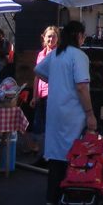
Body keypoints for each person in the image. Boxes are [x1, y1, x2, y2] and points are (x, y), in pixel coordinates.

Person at [34, 20, 96, 205]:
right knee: (74, 152)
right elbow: (82, 87)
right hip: (73, 112)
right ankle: (73, 194)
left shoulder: (56, 55)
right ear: (78, 36)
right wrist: (90, 113)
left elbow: (38, 70)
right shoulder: (79, 56)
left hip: (55, 110)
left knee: (56, 153)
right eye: (83, 35)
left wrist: (56, 81)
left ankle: (52, 196)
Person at [28, 26, 58, 157]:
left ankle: (47, 151)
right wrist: (34, 96)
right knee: (38, 122)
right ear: (44, 38)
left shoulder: (58, 54)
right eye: (49, 36)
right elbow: (36, 76)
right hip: (40, 94)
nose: (51, 39)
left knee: (49, 123)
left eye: (54, 36)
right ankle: (37, 149)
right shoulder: (41, 54)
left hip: (52, 94)